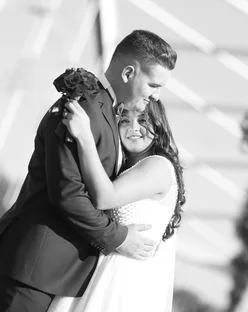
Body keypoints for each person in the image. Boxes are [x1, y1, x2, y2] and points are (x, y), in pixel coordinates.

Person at [0, 29, 176, 311]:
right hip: (34, 268)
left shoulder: (104, 111)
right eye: (153, 85)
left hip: (55, 275)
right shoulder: (84, 107)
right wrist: (119, 237)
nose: (155, 97)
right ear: (129, 73)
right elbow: (68, 193)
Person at [48, 99, 185, 311]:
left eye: (142, 120)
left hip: (122, 280)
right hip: (102, 270)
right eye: (124, 121)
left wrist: (84, 135)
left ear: (157, 125)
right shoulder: (127, 168)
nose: (134, 128)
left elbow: (105, 198)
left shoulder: (157, 165)